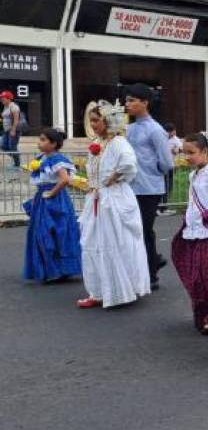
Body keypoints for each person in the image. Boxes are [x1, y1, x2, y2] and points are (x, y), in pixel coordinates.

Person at [77, 101, 151, 309]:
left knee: (116, 241)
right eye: (91, 121)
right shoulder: (99, 142)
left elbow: (129, 164)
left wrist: (113, 177)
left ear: (107, 121)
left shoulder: (118, 142)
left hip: (114, 198)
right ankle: (98, 291)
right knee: (92, 241)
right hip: (97, 198)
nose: (93, 125)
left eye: (96, 120)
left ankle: (121, 289)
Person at [170, 133, 208, 334]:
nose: (187, 157)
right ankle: (206, 313)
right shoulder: (194, 174)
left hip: (207, 233)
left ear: (205, 152)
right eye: (184, 152)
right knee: (196, 275)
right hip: (193, 229)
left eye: (191, 153)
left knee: (206, 277)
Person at [124, 83, 174, 291]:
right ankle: (152, 260)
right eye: (127, 100)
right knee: (133, 229)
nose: (127, 104)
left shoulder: (155, 130)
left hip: (149, 188)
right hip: (130, 186)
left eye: (132, 100)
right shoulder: (129, 129)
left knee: (144, 229)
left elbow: (167, 162)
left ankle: (151, 273)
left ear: (145, 103)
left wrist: (151, 171)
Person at [22, 128, 82, 283]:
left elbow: (65, 179)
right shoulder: (42, 158)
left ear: (54, 143)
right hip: (42, 199)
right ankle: (49, 269)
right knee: (41, 234)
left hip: (55, 200)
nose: (39, 143)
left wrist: (51, 193)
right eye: (39, 139)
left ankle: (59, 269)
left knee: (55, 233)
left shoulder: (57, 159)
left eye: (43, 140)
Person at [159, 122, 182, 216]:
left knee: (168, 187)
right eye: (172, 132)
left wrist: (177, 150)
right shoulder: (160, 138)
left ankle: (164, 207)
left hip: (170, 166)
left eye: (174, 131)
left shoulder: (175, 139)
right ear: (166, 132)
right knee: (161, 187)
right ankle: (160, 208)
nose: (174, 134)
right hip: (160, 166)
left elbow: (181, 147)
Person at [2, 89, 25, 168]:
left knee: (12, 147)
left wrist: (13, 130)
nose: (1, 99)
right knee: (3, 146)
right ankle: (16, 157)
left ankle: (17, 164)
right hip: (6, 130)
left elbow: (16, 119)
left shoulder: (14, 107)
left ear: (9, 98)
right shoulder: (5, 106)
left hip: (13, 130)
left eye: (3, 98)